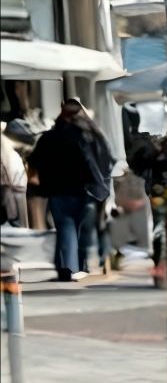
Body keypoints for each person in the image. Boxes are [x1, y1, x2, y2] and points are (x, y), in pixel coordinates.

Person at [29, 99, 115, 279]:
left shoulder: (49, 137)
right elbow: (106, 160)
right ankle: (82, 266)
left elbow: (35, 162)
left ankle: (69, 268)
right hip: (87, 191)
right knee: (83, 230)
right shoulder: (92, 136)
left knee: (66, 229)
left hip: (58, 191)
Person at [1, 119, 29, 227]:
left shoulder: (10, 152)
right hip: (15, 192)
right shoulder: (11, 155)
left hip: (15, 190)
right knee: (20, 225)